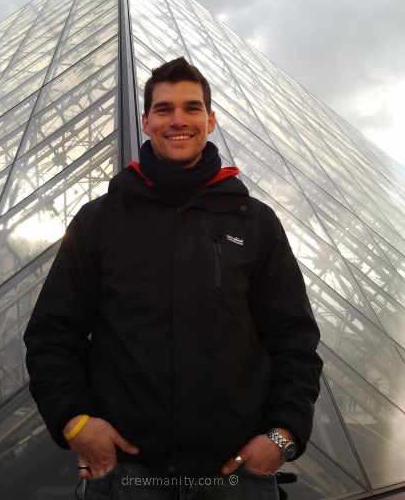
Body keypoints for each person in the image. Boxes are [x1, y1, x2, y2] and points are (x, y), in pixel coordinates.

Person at [24, 57, 322, 499]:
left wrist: (283, 436)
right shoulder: (99, 221)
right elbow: (52, 335)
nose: (178, 120)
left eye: (191, 108)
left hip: (237, 474)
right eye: (163, 109)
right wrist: (74, 422)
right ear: (145, 122)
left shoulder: (255, 222)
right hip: (125, 473)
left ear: (210, 120)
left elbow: (294, 340)